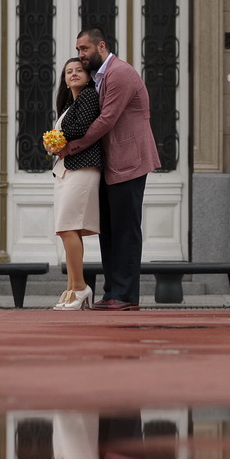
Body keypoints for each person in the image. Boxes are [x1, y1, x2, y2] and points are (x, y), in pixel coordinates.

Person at [59, 27, 161, 312]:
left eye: (84, 49)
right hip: (111, 163)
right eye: (78, 50)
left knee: (126, 231)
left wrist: (72, 147)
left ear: (100, 46)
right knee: (110, 231)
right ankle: (112, 291)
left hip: (130, 161)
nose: (80, 55)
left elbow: (106, 120)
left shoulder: (120, 74)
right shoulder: (100, 78)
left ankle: (126, 295)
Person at [50, 58, 103, 311]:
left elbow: (82, 128)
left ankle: (81, 287)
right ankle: (72, 287)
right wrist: (51, 143)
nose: (73, 74)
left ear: (88, 75)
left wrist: (55, 138)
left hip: (82, 169)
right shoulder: (69, 104)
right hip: (66, 171)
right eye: (68, 71)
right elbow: (68, 131)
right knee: (65, 229)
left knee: (69, 227)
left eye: (78, 70)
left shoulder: (90, 96)